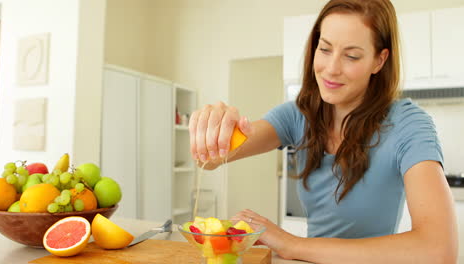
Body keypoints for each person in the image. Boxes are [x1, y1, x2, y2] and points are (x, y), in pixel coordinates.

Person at [188, 0, 458, 262]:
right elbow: (209, 159)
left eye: (351, 56)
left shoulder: (408, 124)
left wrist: (293, 245)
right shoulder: (297, 116)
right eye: (325, 49)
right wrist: (212, 129)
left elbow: (439, 249)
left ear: (379, 60)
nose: (331, 69)